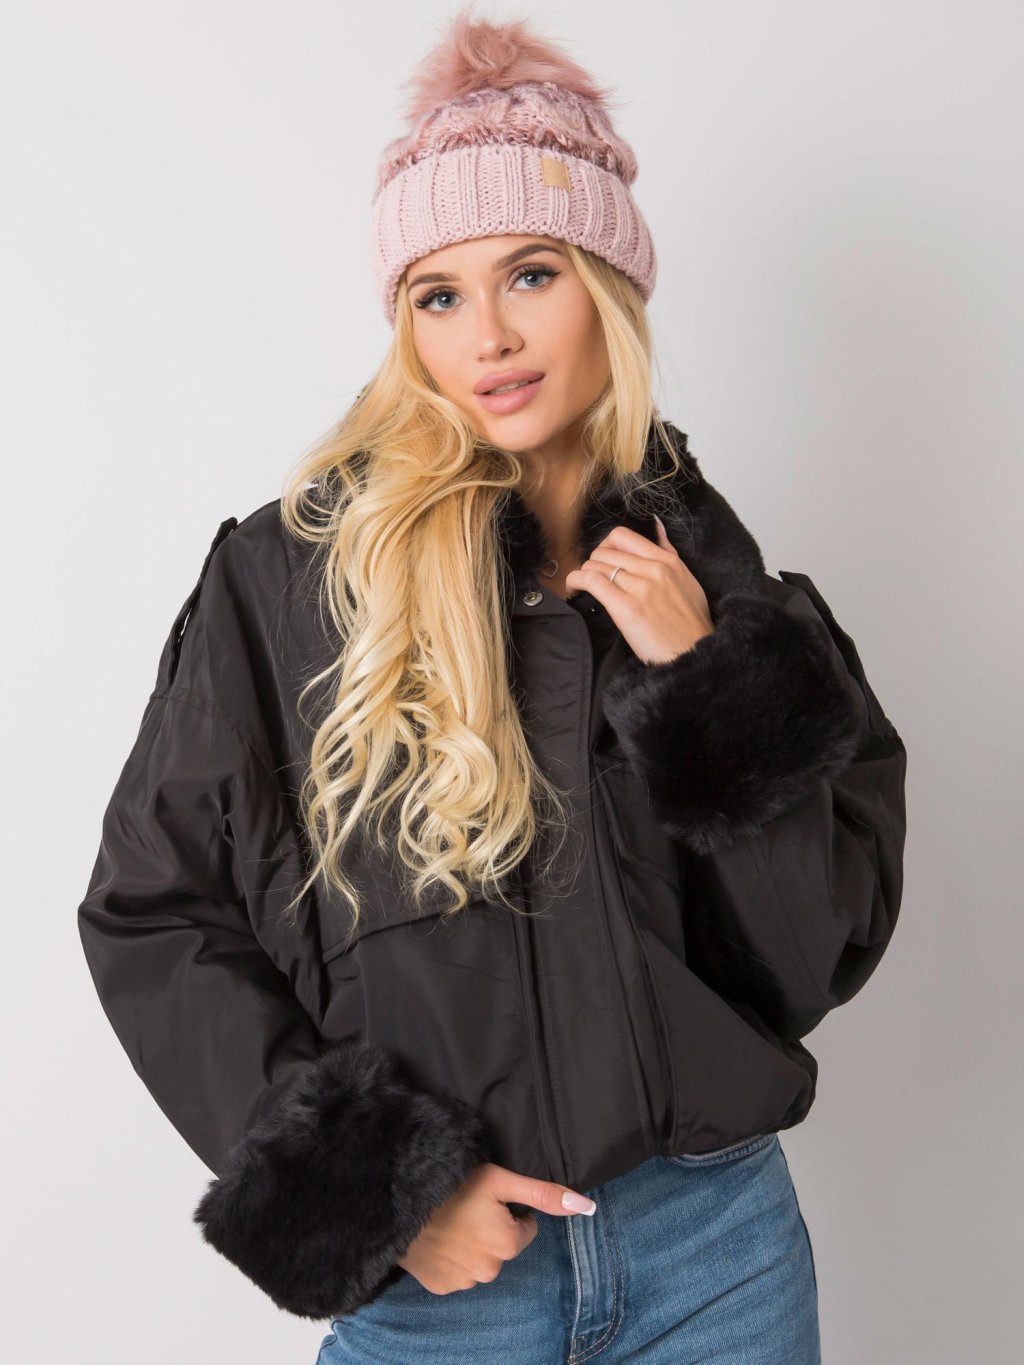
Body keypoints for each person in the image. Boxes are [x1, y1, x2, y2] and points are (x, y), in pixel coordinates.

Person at [77, 9, 908, 1362]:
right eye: (439, 294)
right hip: (446, 1298)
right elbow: (152, 909)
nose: (492, 335)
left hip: (718, 1256)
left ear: (607, 283)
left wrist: (709, 680)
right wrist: (379, 1193)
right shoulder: (290, 580)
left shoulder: (712, 577)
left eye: (531, 272)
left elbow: (814, 956)